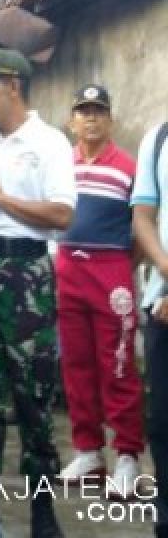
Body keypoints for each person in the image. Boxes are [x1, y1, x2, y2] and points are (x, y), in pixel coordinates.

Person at [0, 49, 76, 538]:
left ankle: (43, 508)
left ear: (12, 84)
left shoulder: (48, 143)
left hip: (26, 275)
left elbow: (62, 215)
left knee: (32, 396)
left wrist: (1, 195)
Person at [54, 85, 144, 497]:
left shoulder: (127, 167)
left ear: (110, 119)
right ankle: (89, 449)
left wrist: (128, 266)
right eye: (83, 111)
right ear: (72, 120)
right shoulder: (61, 165)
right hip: (69, 267)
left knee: (119, 365)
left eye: (98, 111)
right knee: (77, 364)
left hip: (111, 271)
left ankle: (127, 455)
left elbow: (142, 223)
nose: (90, 118)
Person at [132, 117, 168, 538]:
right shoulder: (157, 138)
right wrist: (164, 267)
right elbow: (144, 216)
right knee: (161, 421)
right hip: (161, 305)